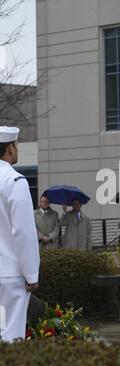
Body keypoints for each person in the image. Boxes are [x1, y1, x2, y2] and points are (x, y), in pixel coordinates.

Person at [0, 126, 40, 342]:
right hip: (10, 274)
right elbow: (23, 232)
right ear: (10, 149)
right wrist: (31, 274)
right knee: (10, 337)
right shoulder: (15, 181)